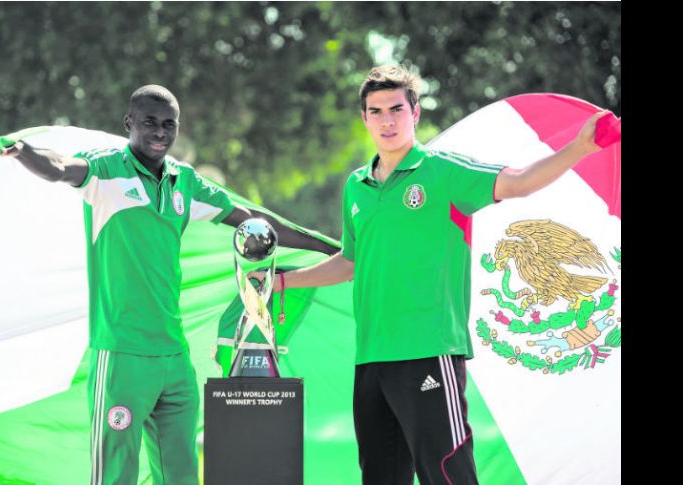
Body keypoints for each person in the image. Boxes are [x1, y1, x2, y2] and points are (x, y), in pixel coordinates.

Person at [254, 65, 608, 485]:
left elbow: (519, 182)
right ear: (364, 118)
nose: (387, 120)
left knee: (448, 473)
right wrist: (281, 282)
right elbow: (352, 263)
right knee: (381, 478)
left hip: (429, 350)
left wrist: (579, 148)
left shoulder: (442, 172)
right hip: (372, 358)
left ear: (415, 113)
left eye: (396, 109)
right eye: (376, 111)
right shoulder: (356, 187)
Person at [0, 84, 337, 485]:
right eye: (149, 122)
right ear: (129, 123)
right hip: (121, 356)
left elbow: (253, 218)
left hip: (173, 358)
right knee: (116, 475)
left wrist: (328, 247)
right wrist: (20, 151)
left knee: (180, 474)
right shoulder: (106, 171)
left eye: (169, 125)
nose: (160, 132)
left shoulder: (185, 182)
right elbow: (60, 167)